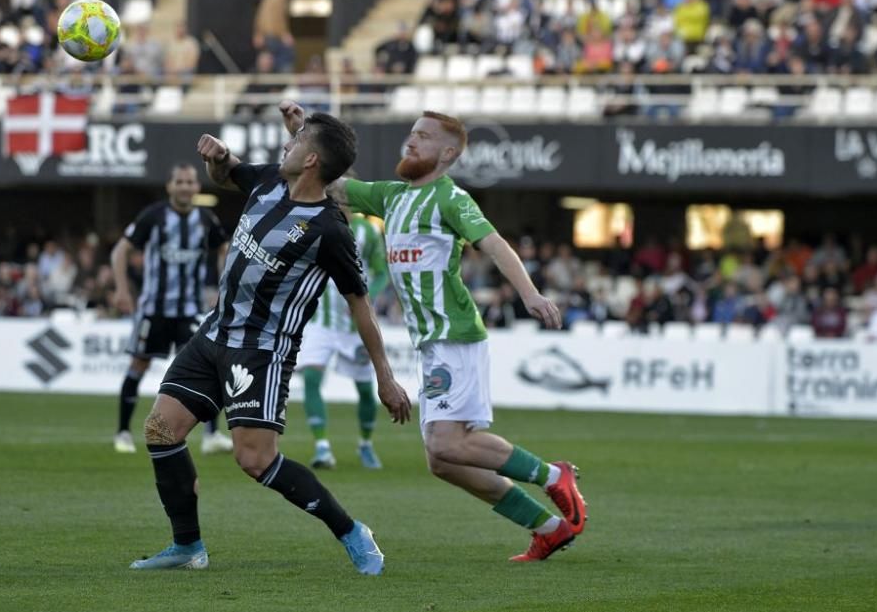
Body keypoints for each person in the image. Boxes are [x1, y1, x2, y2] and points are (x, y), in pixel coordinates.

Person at [129, 106, 412, 574]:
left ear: (311, 162)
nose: (287, 144)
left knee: (255, 459)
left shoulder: (329, 230)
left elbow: (360, 304)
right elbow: (225, 175)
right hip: (214, 333)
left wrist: (385, 377)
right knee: (161, 430)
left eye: (297, 141)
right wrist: (216, 159)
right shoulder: (267, 181)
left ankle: (352, 532)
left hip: (261, 351)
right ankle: (187, 547)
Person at [304, 105, 586, 562]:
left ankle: (554, 475)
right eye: (411, 134)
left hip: (454, 337)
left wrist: (529, 294)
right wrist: (300, 133)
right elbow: (327, 185)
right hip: (432, 345)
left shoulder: (450, 198)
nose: (411, 142)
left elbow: (495, 244)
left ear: (448, 153)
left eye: (424, 137)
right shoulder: (391, 195)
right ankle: (548, 527)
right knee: (443, 461)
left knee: (446, 443)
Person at [111, 164, 232, 455]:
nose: (185, 187)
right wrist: (123, 289)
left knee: (206, 368)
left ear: (197, 187)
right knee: (139, 365)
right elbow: (120, 250)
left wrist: (222, 287)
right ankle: (123, 432)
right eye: (179, 182)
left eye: (190, 182)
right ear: (170, 186)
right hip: (154, 309)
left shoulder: (205, 219)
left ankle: (212, 435)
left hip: (190, 309)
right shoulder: (153, 217)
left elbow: (225, 249)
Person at [296, 211, 389, 469]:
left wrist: (367, 300)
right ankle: (322, 447)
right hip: (320, 321)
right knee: (312, 378)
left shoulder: (367, 232)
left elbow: (381, 273)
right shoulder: (310, 225)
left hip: (354, 324)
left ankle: (366, 444)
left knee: (366, 390)